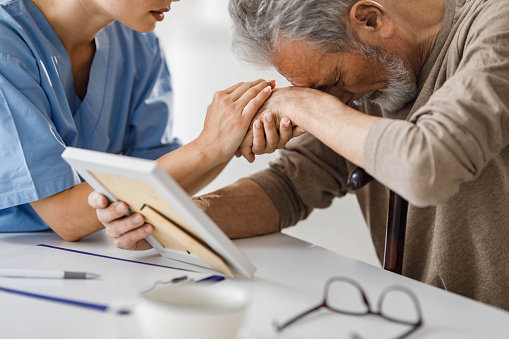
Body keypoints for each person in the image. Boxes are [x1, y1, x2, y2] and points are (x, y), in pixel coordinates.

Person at [89, 0, 509, 311]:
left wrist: (304, 105)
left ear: (369, 18)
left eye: (332, 81)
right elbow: (291, 184)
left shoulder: (497, 29)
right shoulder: (371, 80)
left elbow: (427, 165)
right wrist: (167, 219)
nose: (335, 100)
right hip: (427, 316)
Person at [0, 0, 299, 241]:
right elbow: (64, 217)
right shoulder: (7, 45)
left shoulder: (138, 43)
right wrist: (208, 146)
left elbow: (157, 183)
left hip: (98, 253)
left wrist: (232, 138)